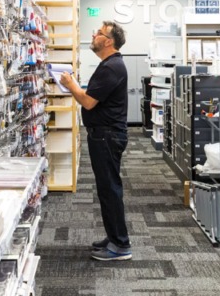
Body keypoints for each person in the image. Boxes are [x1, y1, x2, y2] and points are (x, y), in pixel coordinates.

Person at [59, 20, 131, 261]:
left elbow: (89, 101)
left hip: (107, 135)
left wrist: (71, 85)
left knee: (110, 189)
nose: (94, 35)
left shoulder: (112, 67)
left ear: (108, 41)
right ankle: (114, 237)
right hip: (105, 134)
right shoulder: (110, 65)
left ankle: (121, 245)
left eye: (99, 33)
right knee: (106, 189)